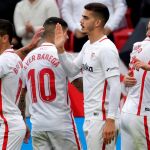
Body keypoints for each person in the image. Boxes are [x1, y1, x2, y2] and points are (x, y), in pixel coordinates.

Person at [55, 2, 121, 149]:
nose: (80, 21)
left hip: (102, 118)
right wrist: (60, 50)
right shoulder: (87, 45)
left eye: (85, 17)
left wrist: (110, 120)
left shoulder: (106, 48)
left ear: (97, 22)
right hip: (91, 115)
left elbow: (116, 85)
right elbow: (72, 70)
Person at [21, 17, 81, 150]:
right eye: (65, 33)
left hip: (37, 125)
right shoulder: (62, 56)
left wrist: (23, 121)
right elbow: (80, 86)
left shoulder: (28, 59)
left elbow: (21, 93)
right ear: (59, 33)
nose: (66, 37)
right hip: (61, 124)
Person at [121, 20, 150, 150]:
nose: (148, 32)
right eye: (148, 28)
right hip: (143, 115)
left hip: (128, 112)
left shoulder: (137, 45)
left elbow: (128, 81)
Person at [0, 19, 28, 150]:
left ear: (5, 38)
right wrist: (23, 119)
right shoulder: (16, 59)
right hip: (12, 122)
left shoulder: (4, 60)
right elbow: (22, 95)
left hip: (6, 125)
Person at [61, 0, 127, 52]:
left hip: (105, 33)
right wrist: (74, 28)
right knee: (81, 67)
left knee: (107, 65)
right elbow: (65, 10)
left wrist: (110, 27)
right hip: (81, 35)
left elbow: (121, 6)